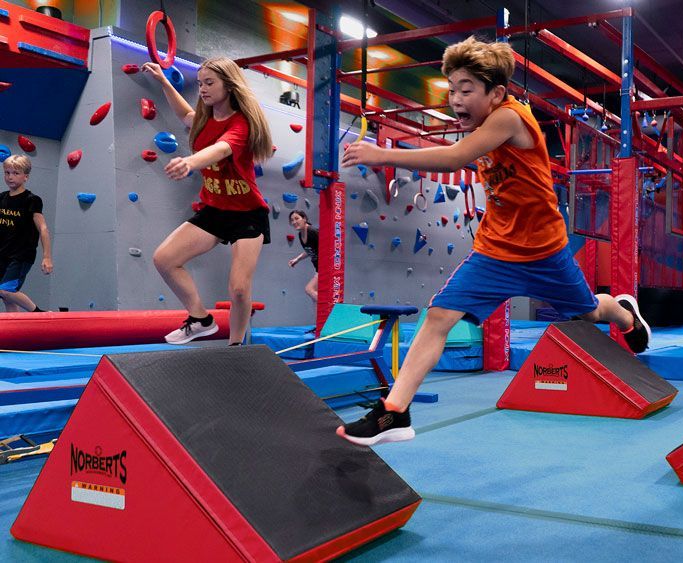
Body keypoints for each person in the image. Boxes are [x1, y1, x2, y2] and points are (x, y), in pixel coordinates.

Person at [337, 36, 652, 446]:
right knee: (438, 317)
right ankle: (394, 412)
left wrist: (384, 154)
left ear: (497, 93)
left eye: (467, 90)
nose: (455, 99)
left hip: (544, 252)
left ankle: (625, 313)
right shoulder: (481, 127)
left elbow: (454, 158)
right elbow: (457, 150)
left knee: (590, 313)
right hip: (495, 251)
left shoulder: (510, 117)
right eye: (451, 89)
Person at [143, 58, 272, 345]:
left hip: (247, 213)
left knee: (238, 288)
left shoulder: (242, 124)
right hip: (214, 209)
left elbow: (221, 149)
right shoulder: (204, 121)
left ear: (229, 84)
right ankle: (200, 319)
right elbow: (186, 115)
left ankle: (236, 345)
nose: (202, 89)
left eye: (210, 83)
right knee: (164, 259)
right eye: (200, 83)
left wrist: (190, 162)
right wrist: (164, 82)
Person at [0, 155, 52, 312]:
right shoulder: (1, 198)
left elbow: (43, 228)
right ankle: (13, 330)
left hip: (21, 254)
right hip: (3, 253)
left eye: (15, 173)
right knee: (6, 297)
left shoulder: (31, 200)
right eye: (7, 173)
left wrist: (47, 257)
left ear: (26, 177)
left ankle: (39, 314)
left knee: (5, 290)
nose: (10, 177)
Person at [288, 210, 319, 303]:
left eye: (297, 218)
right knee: (315, 297)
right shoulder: (300, 234)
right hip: (318, 268)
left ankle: (331, 309)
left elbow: (327, 247)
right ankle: (324, 315)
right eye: (292, 220)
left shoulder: (312, 231)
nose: (294, 222)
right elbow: (309, 250)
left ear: (304, 219)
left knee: (309, 289)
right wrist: (297, 259)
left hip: (325, 268)